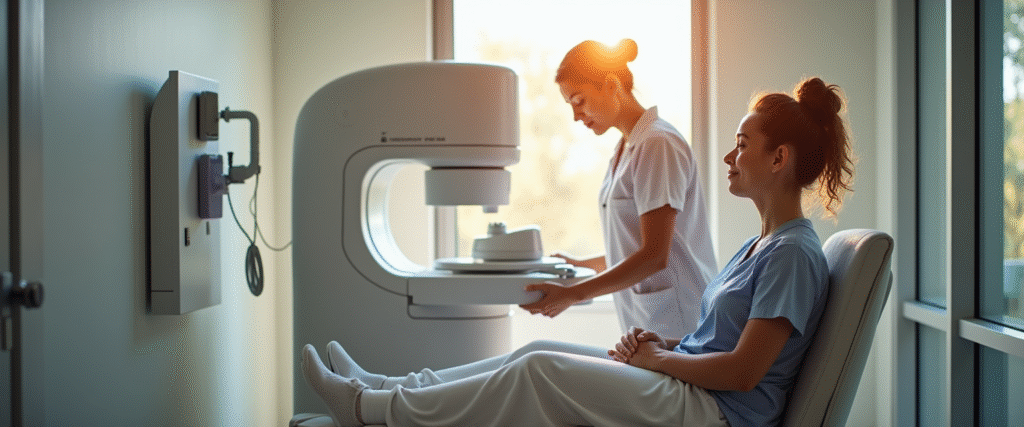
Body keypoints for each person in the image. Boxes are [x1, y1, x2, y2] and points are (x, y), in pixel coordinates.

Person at [301, 76, 855, 427]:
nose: (730, 158)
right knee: (532, 353)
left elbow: (743, 372)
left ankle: (373, 411)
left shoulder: (791, 254)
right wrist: (664, 344)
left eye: (742, 144)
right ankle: (386, 388)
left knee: (541, 370)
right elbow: (723, 337)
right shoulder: (761, 245)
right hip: (689, 382)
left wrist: (661, 359)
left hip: (717, 411)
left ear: (778, 158)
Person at [520, 39, 718, 340]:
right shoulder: (624, 149)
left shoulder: (657, 144)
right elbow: (632, 245)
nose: (576, 115)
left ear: (611, 85)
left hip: (680, 320)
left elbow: (654, 255)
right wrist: (581, 265)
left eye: (579, 100)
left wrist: (572, 293)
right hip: (649, 321)